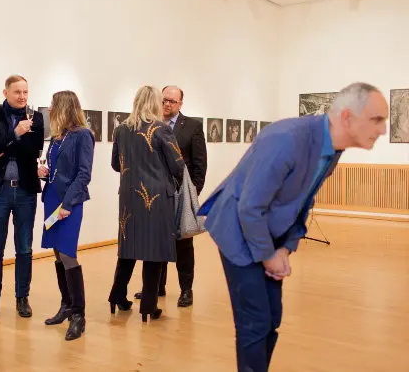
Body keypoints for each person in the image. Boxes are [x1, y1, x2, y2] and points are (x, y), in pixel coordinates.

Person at [197, 82, 388, 372]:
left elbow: (302, 200)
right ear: (348, 117)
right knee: (255, 321)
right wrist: (268, 254)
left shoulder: (332, 149)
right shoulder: (286, 138)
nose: (383, 129)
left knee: (271, 319)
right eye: (377, 119)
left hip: (268, 234)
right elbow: (250, 207)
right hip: (238, 230)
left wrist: (286, 246)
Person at [108, 86, 185, 322]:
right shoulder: (161, 129)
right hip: (157, 198)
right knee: (154, 251)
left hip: (129, 197)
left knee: (128, 249)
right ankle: (148, 307)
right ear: (154, 103)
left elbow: (115, 164)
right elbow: (178, 165)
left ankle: (117, 297)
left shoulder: (121, 130)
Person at [133, 85, 207, 308]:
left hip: (181, 194)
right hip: (157, 195)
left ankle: (186, 290)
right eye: (164, 100)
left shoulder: (192, 126)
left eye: (172, 102)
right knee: (158, 242)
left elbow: (199, 164)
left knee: (184, 245)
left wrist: (193, 192)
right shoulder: (151, 125)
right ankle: (157, 286)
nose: (167, 104)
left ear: (180, 104)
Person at [0, 75, 44, 320]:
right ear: (5, 92)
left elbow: (32, 150)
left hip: (25, 189)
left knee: (24, 248)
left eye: (26, 92)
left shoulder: (36, 118)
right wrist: (15, 133)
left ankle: (22, 298)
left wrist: (3, 147)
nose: (23, 96)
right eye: (18, 92)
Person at [38, 91, 94, 341]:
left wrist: (68, 203)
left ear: (63, 107)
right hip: (51, 199)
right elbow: (58, 170)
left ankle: (79, 315)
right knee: (58, 253)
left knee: (68, 254)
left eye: (52, 105)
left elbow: (83, 174)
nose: (49, 109)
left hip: (69, 203)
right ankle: (66, 304)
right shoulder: (58, 137)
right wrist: (44, 171)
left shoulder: (83, 135)